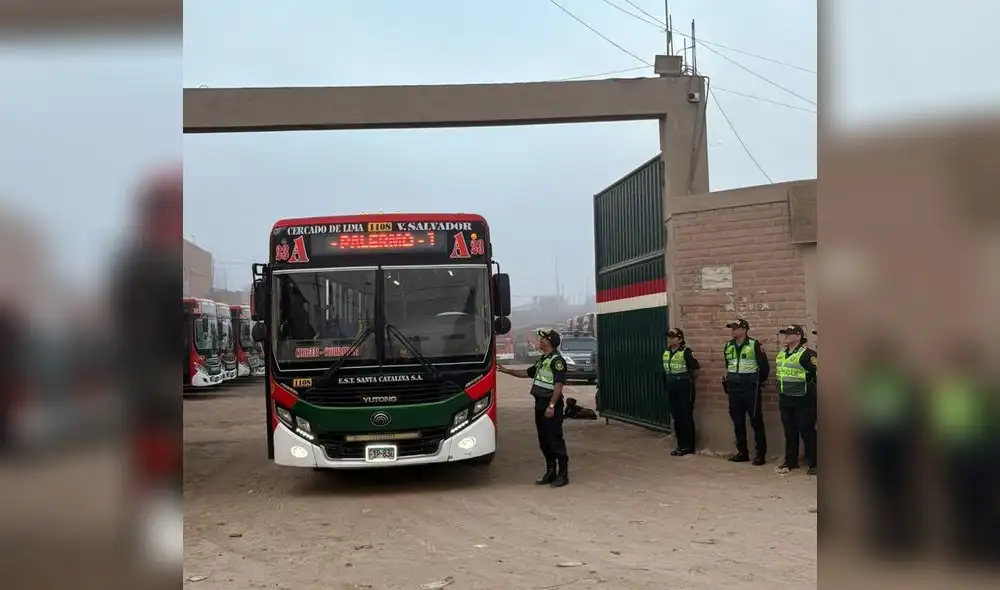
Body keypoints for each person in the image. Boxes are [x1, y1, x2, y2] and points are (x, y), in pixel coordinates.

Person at [498, 329, 570, 487]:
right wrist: (507, 371)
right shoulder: (543, 359)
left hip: (551, 405)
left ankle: (563, 475)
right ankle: (550, 472)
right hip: (540, 404)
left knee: (555, 439)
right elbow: (527, 373)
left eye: (543, 339)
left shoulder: (557, 361)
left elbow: (558, 385)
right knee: (544, 440)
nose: (540, 341)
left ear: (549, 342)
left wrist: (551, 405)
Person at [722, 319, 770, 465]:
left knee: (756, 421)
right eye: (732, 328)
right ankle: (742, 452)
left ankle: (760, 454)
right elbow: (728, 365)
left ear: (744, 330)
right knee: (737, 421)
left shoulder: (754, 345)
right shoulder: (728, 346)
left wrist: (756, 382)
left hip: (750, 388)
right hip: (734, 388)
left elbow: (765, 368)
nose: (733, 331)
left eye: (735, 328)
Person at [775, 325, 818, 475]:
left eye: (789, 334)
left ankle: (815, 462)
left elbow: (816, 373)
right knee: (790, 432)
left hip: (804, 399)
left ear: (798, 336)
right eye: (785, 334)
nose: (786, 336)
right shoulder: (782, 353)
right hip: (786, 397)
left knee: (807, 431)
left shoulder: (807, 354)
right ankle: (791, 461)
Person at [662, 328, 700, 456]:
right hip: (672, 387)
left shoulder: (686, 352)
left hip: (684, 388)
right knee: (676, 417)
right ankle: (680, 445)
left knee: (686, 417)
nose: (669, 339)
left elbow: (695, 369)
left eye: (672, 337)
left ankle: (688, 446)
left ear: (680, 339)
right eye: (668, 337)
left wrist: (688, 382)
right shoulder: (666, 352)